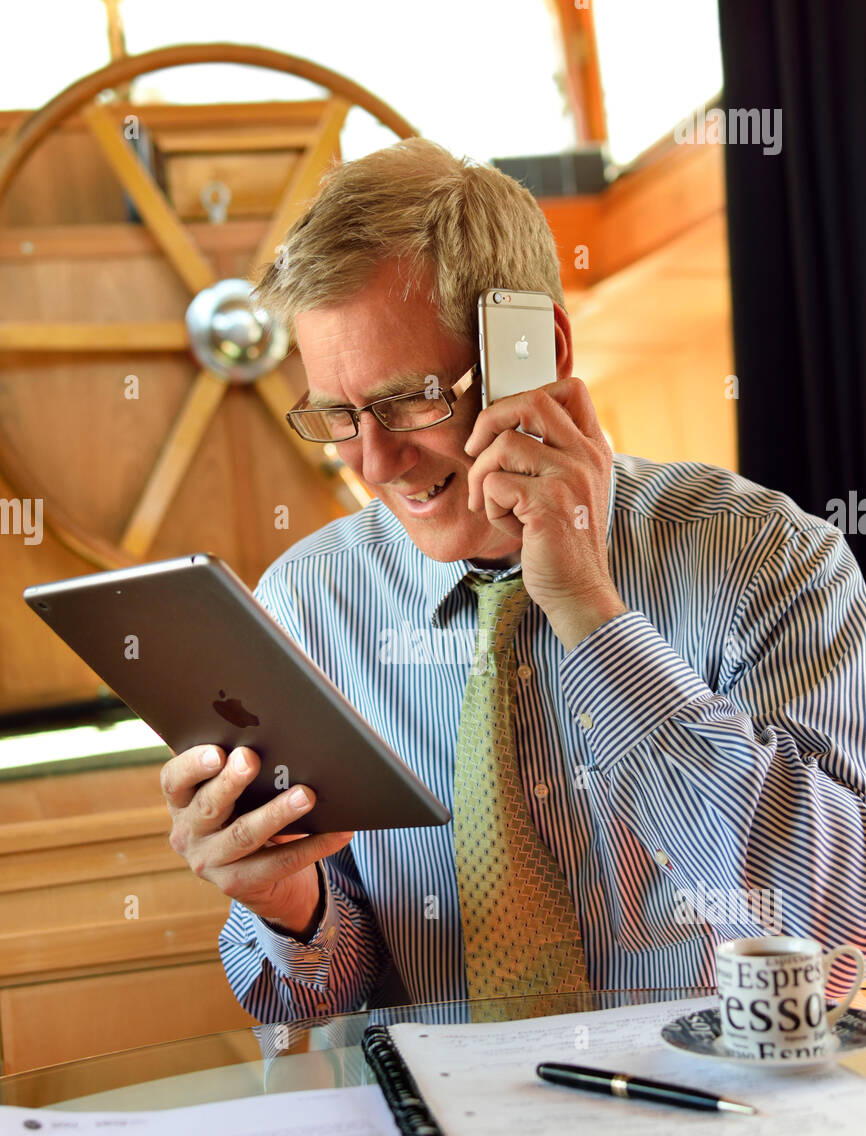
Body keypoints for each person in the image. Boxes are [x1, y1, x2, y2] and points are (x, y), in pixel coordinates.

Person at [159, 139, 866, 1024]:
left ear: (539, 350)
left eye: (411, 399)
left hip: (712, 1130)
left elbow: (834, 929)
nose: (374, 461)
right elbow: (322, 1001)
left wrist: (589, 613)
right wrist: (286, 906)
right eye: (338, 415)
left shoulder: (767, 560)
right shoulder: (308, 607)